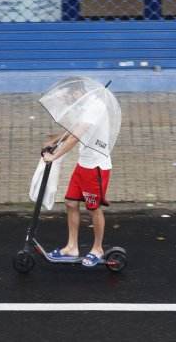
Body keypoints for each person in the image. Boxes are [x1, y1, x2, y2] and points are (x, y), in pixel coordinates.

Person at [41, 87, 112, 268]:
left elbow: (75, 137)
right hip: (83, 164)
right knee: (71, 203)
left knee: (93, 208)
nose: (70, 100)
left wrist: (54, 156)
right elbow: (73, 129)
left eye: (70, 96)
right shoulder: (85, 107)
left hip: (96, 167)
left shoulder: (96, 107)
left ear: (78, 92)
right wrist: (55, 140)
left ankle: (97, 249)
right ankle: (72, 247)